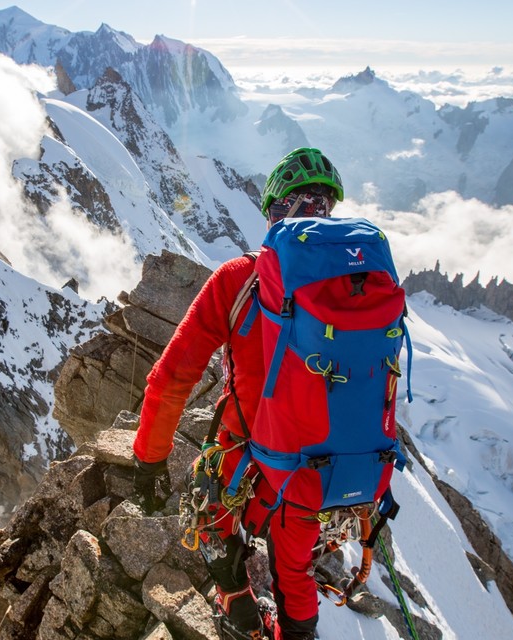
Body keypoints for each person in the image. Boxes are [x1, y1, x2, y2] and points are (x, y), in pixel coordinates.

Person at [132, 147, 345, 640]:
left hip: (247, 460)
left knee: (209, 520)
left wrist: (149, 462)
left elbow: (170, 381)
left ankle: (237, 607)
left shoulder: (239, 281)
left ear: (275, 213)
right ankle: (296, 632)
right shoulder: (358, 290)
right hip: (325, 473)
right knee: (295, 571)